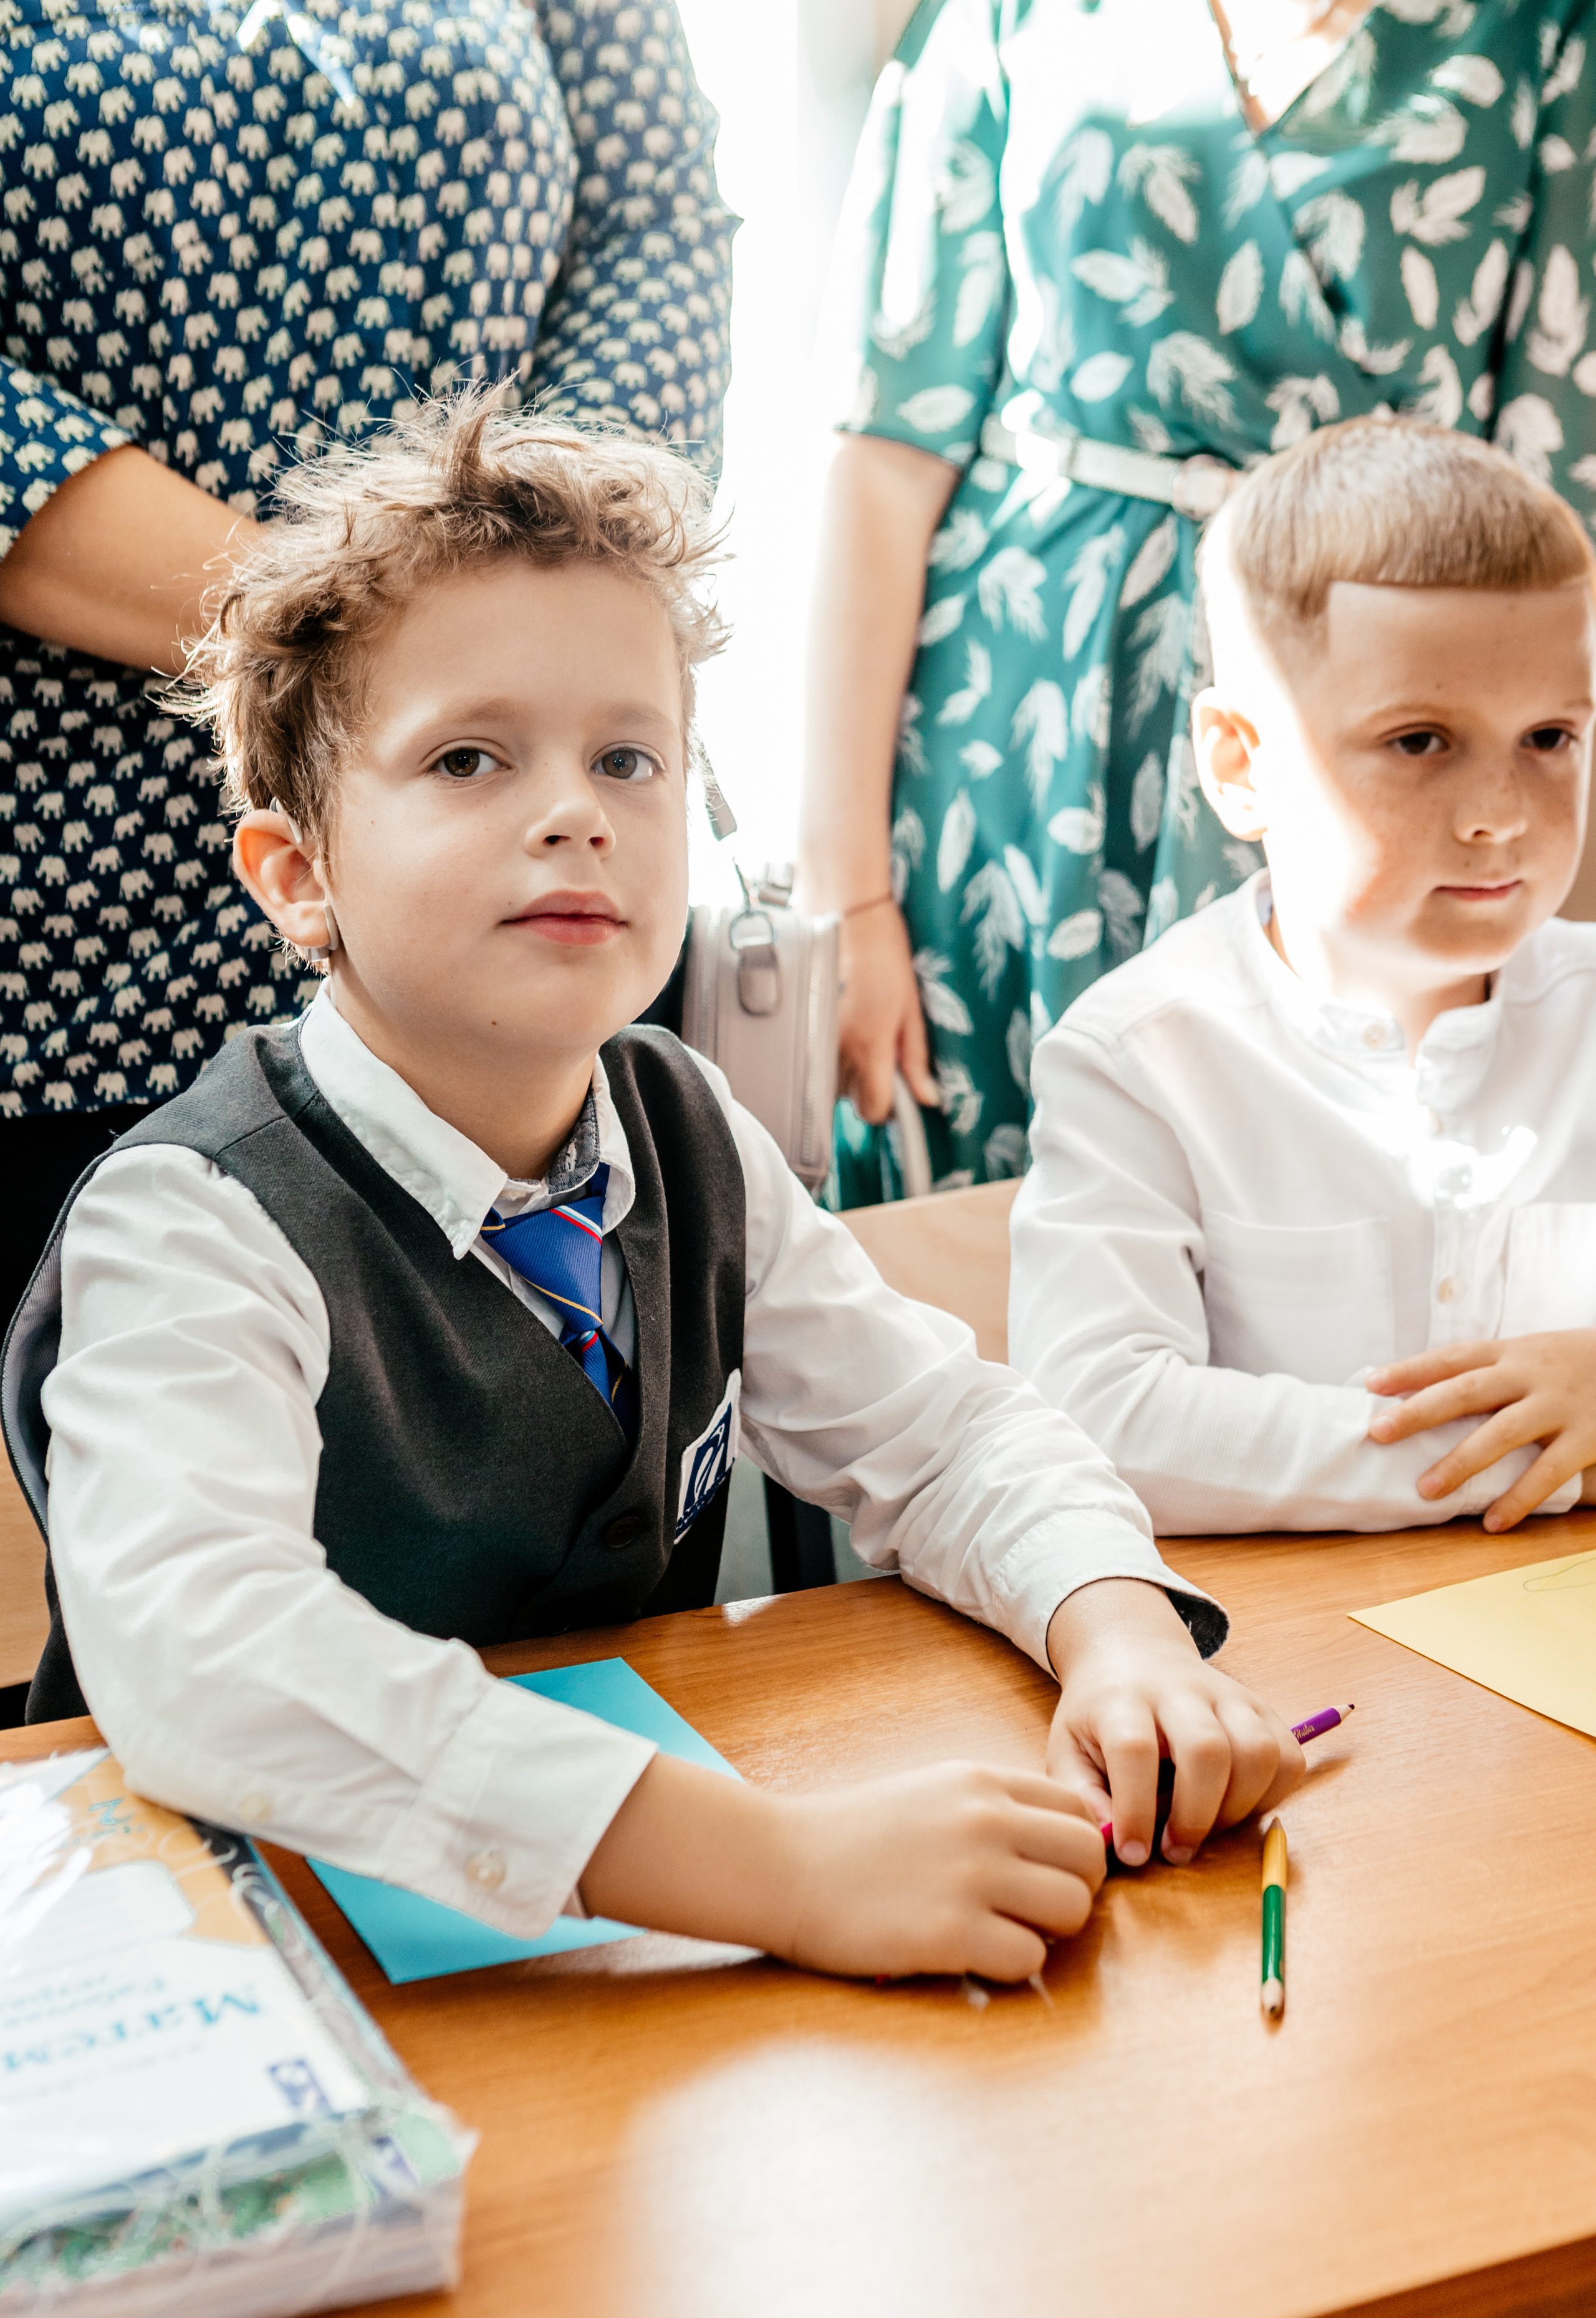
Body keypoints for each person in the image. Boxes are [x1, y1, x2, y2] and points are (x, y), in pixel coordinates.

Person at [3, 393, 1304, 1980]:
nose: (575, 813)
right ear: (299, 877)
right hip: (234, 1963)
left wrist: (1118, 1631)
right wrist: (783, 1870)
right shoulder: (192, 1219)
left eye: (628, 758)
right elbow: (208, 1662)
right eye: (468, 758)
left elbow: (942, 1434)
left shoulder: (686, 1127)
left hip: (602, 1956)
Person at [0, 0, 733, 1324]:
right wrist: (368, 656)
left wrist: (523, 635)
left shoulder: (694, 1123)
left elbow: (654, 230)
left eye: (633, 761)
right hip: (72, 925)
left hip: (521, 957)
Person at [800, 0, 1596, 1206]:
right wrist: (847, 890)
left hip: (1382, 736)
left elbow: (1561, 501)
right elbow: (886, 454)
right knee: (988, 1214)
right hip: (1016, 734)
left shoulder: (1543, 29)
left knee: (1322, 1219)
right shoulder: (1010, 14)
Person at [1010, 416, 1596, 1537]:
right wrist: (1544, 1448)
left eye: (1549, 739)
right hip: (1285, 1640)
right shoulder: (1139, 1057)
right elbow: (1098, 1422)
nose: (1499, 816)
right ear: (1241, 764)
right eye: (1420, 741)